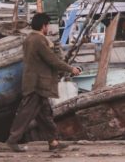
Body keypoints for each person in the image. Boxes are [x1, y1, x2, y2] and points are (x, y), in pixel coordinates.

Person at [6, 13, 81, 152]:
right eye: (47, 25)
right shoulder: (39, 41)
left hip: (37, 82)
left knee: (45, 115)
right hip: (37, 84)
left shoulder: (30, 38)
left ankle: (53, 142)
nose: (48, 28)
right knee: (26, 113)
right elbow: (52, 60)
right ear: (43, 26)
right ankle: (12, 140)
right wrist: (71, 69)